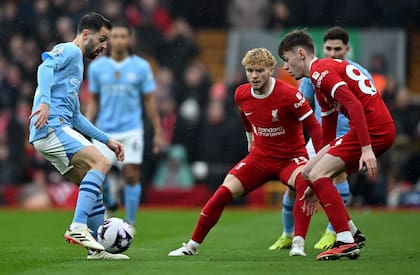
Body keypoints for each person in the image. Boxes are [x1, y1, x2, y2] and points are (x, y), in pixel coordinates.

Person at [168, 47, 325, 257]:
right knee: (223, 192)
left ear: (271, 69)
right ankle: (192, 246)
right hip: (260, 158)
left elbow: (314, 126)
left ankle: (298, 244)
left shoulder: (289, 94)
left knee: (304, 185)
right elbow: (246, 118)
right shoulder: (241, 94)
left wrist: (319, 158)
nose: (254, 75)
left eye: (259, 70)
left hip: (290, 158)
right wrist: (250, 140)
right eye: (250, 70)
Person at [278, 30, 395, 260]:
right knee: (310, 171)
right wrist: (313, 178)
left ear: (300, 54)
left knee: (317, 172)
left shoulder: (321, 71)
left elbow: (354, 105)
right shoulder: (318, 80)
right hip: (373, 128)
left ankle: (344, 240)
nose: (285, 68)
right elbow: (329, 136)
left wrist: (366, 148)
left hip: (374, 130)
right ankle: (352, 233)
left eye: (286, 59)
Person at [28, 12, 129, 260]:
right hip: (52, 126)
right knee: (102, 163)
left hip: (52, 130)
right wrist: (44, 102)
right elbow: (45, 67)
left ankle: (94, 249)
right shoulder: (71, 51)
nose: (105, 45)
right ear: (86, 34)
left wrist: (107, 140)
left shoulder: (77, 66)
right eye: (102, 38)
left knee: (91, 181)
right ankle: (78, 226)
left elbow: (75, 116)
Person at [85, 21, 163, 227]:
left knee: (131, 175)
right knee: (98, 174)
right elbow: (94, 99)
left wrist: (157, 130)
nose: (119, 41)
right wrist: (86, 125)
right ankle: (108, 204)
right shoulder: (97, 67)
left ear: (129, 39)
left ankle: (130, 222)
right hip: (104, 131)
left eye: (123, 36)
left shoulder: (141, 67)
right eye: (115, 37)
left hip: (131, 130)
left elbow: (149, 100)